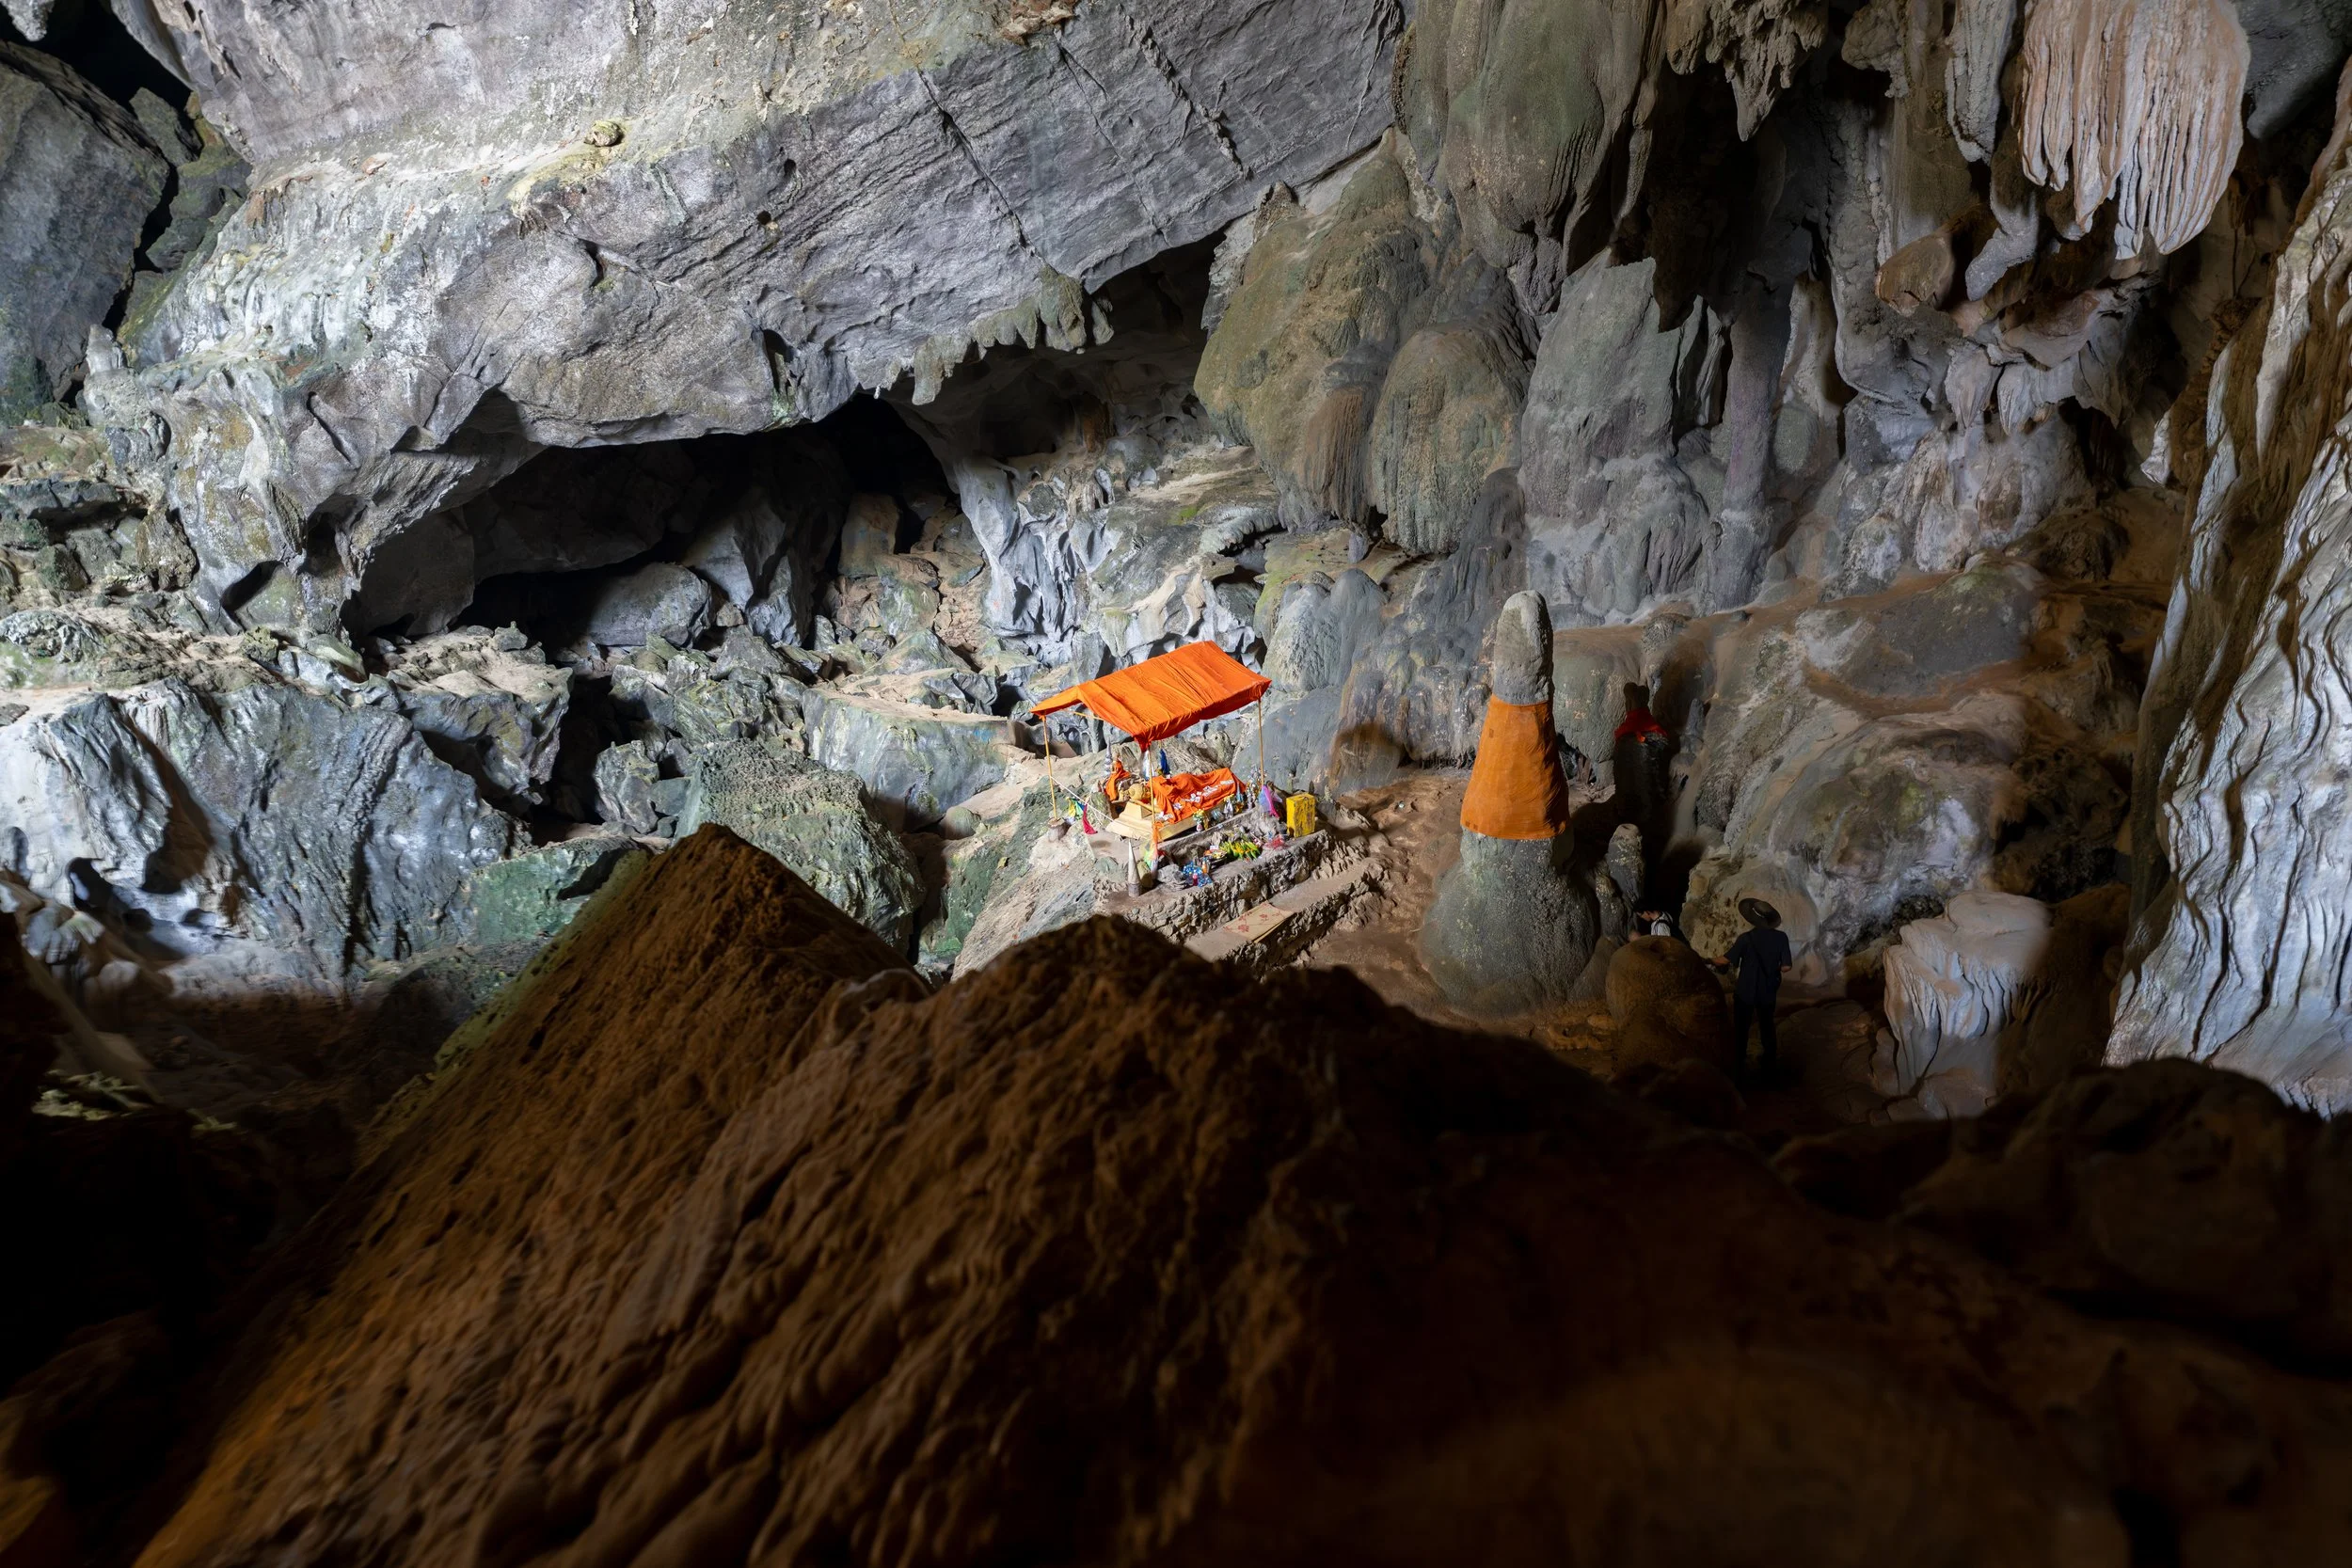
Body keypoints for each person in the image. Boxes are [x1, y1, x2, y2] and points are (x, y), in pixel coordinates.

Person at [1712, 896, 1792, 1083]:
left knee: (1741, 1028)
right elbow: (1787, 966)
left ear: (1753, 920)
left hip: (1746, 991)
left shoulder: (1746, 939)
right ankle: (1769, 1061)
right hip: (1768, 990)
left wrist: (1707, 960)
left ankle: (1739, 1061)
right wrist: (1774, 967)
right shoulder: (1781, 938)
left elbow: (1725, 960)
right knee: (1767, 1025)